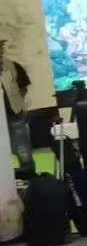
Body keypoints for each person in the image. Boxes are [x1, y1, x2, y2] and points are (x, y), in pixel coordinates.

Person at [0, 39, 34, 174]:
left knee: (21, 146)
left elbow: (23, 87)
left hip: (14, 113)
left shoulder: (12, 66)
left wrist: (17, 103)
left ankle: (28, 173)